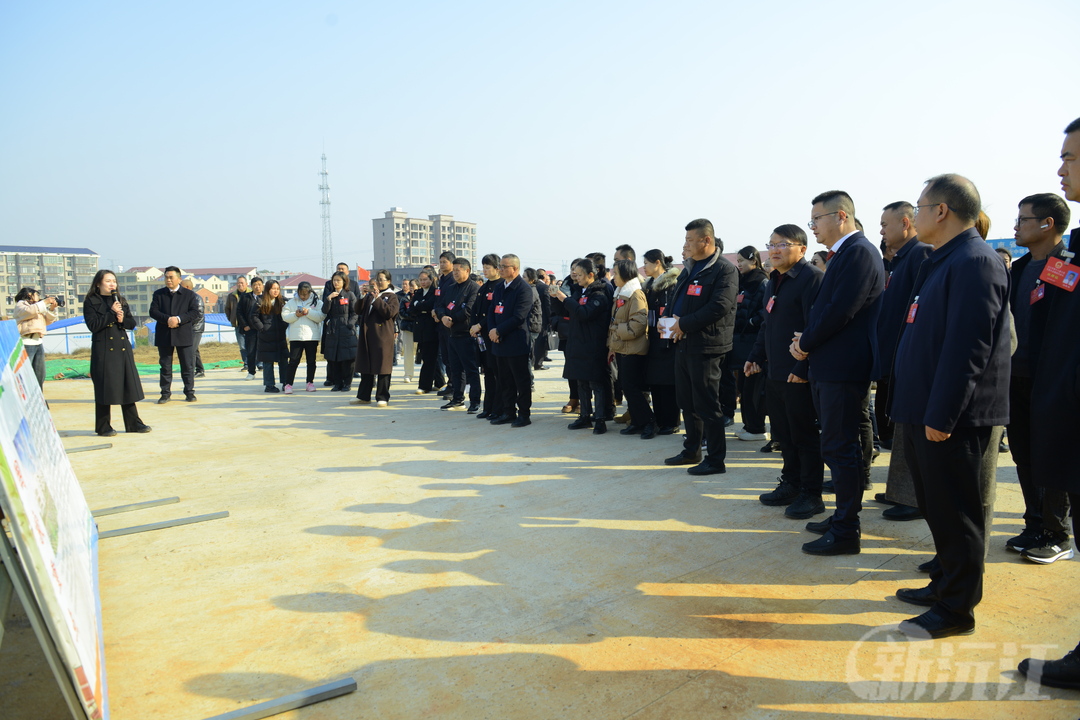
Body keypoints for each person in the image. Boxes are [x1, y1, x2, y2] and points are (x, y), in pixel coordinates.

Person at [890, 174, 1010, 640]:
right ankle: (944, 584)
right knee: (937, 506)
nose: (913, 215)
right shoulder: (942, 260)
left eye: (919, 207)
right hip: (924, 409)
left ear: (942, 211)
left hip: (950, 417)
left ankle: (957, 610)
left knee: (958, 513)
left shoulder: (975, 261)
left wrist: (942, 415)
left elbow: (968, 349)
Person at [1018, 116, 1080, 689]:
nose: (1062, 167)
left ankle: (1053, 532)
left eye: (1071, 157)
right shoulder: (1065, 256)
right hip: (1046, 391)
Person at [791, 191, 885, 556]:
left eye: (817, 219)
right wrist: (807, 344)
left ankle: (847, 528)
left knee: (841, 447)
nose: (812, 225)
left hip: (844, 367)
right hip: (830, 364)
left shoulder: (859, 252)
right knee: (834, 444)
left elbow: (840, 310)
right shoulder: (845, 253)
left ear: (841, 216)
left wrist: (806, 343)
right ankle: (842, 516)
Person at [1005, 193, 1073, 562]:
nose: (1016, 226)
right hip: (1017, 375)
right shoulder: (1018, 269)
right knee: (1024, 455)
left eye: (1023, 219)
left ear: (1047, 224)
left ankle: (1056, 533)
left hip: (1053, 379)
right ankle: (1034, 524)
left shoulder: (1070, 266)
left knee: (1053, 455)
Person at [745, 225, 825, 519]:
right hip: (774, 371)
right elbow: (768, 324)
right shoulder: (773, 281)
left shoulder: (812, 279)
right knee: (783, 434)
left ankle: (811, 493)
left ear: (802, 249)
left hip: (797, 374)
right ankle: (791, 482)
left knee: (804, 434)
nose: (774, 250)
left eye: (782, 244)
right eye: (771, 244)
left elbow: (815, 329)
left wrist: (803, 366)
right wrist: (755, 356)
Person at [662, 218, 738, 475]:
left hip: (707, 346)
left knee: (707, 404)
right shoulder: (690, 267)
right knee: (687, 401)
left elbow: (719, 306)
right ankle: (691, 449)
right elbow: (676, 299)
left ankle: (716, 459)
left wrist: (684, 324)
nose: (686, 245)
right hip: (683, 342)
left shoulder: (724, 270)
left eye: (689, 240)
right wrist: (671, 325)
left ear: (706, 240)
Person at [873, 201, 933, 523]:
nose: (881, 230)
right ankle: (899, 491)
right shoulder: (899, 260)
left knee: (909, 430)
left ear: (905, 223)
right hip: (893, 354)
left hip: (907, 354)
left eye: (885, 224)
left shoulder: (920, 255)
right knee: (899, 432)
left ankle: (912, 497)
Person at [82, 270, 150, 436]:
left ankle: (134, 423)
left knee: (127, 386)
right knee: (105, 388)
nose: (112, 284)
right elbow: (93, 325)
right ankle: (103, 426)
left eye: (114, 281)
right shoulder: (91, 301)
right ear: (98, 283)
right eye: (108, 281)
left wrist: (121, 319)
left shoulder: (120, 300)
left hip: (122, 348)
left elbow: (131, 323)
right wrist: (111, 313)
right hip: (104, 349)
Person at [555, 258, 613, 434]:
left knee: (596, 383)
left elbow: (584, 313)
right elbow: (568, 311)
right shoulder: (580, 292)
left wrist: (564, 298)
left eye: (580, 274)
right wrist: (559, 298)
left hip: (593, 344)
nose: (576, 277)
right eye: (575, 273)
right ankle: (585, 416)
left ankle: (601, 419)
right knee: (581, 382)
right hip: (577, 343)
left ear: (591, 274)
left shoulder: (600, 293)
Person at [487, 254, 533, 427]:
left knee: (521, 380)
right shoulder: (499, 287)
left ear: (514, 269)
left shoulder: (523, 289)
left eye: (504, 266)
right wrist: (492, 330)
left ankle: (524, 414)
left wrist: (499, 330)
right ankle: (508, 412)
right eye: (500, 266)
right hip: (498, 341)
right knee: (504, 380)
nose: (500, 269)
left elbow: (519, 316)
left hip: (515, 341)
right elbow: (492, 310)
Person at [607, 259, 652, 437]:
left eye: (616, 273)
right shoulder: (621, 293)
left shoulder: (635, 294)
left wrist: (616, 329)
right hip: (622, 347)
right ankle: (637, 420)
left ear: (625, 275)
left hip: (633, 349)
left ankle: (649, 421)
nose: (613, 277)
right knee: (627, 387)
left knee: (631, 387)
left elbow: (638, 325)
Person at [731, 245, 770, 442]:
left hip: (753, 342)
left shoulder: (762, 282)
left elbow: (766, 311)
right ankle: (748, 425)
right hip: (741, 342)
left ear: (753, 261)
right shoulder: (742, 282)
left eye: (742, 261)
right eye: (737, 261)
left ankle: (756, 427)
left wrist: (752, 321)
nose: (739, 265)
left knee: (753, 388)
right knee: (744, 386)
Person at [149, 265, 201, 403]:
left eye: (171, 277)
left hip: (183, 333)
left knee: (187, 365)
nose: (168, 280)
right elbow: (153, 311)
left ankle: (189, 392)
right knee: (165, 366)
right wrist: (168, 319)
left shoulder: (189, 295)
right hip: (164, 334)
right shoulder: (159, 294)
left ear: (179, 279)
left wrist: (178, 319)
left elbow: (195, 312)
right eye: (166, 277)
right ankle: (165, 393)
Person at [642, 249, 680, 435]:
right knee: (655, 382)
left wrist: (667, 338)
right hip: (653, 339)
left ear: (658, 263)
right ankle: (660, 419)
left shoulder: (671, 284)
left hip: (667, 339)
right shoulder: (649, 286)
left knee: (668, 383)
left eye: (647, 264)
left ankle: (671, 421)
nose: (644, 268)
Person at [437, 259, 482, 412]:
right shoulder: (450, 288)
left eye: (458, 270)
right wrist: (443, 316)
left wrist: (453, 319)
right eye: (454, 270)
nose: (455, 273)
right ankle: (457, 399)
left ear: (467, 270)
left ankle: (475, 401)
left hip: (466, 335)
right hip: (451, 334)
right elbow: (440, 305)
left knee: (471, 370)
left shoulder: (474, 288)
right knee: (455, 369)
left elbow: (469, 310)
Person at [354, 269, 400, 406]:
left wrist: (377, 299)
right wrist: (362, 297)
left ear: (388, 281)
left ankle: (382, 397)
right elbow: (358, 310)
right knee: (366, 366)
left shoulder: (392, 297)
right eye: (377, 279)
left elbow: (389, 313)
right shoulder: (370, 295)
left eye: (382, 279)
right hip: (368, 335)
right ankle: (363, 395)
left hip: (382, 336)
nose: (379, 282)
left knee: (383, 367)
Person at [470, 254, 502, 417]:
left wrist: (480, 325)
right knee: (488, 372)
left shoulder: (500, 286)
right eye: (483, 267)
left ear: (497, 269)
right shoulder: (484, 287)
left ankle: (498, 408)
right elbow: (476, 309)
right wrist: (473, 326)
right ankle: (488, 407)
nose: (485, 271)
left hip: (493, 335)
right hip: (482, 336)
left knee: (496, 373)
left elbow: (492, 313)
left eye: (488, 268)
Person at [282, 281, 324, 393]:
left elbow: (321, 316)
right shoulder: (291, 302)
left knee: (311, 361)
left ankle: (310, 382)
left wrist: (308, 312)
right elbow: (285, 316)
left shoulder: (317, 302)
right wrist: (295, 315)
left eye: (305, 294)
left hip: (311, 336)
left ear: (310, 292)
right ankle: (288, 384)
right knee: (293, 361)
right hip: (296, 337)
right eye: (301, 293)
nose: (303, 296)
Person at [320, 271, 358, 392]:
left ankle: (347, 383)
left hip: (346, 329)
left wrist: (350, 324)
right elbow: (324, 311)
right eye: (334, 280)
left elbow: (355, 312)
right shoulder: (330, 295)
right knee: (334, 358)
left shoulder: (349, 295)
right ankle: (337, 383)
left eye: (338, 280)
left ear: (344, 282)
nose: (336, 282)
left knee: (347, 358)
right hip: (333, 329)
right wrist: (329, 299)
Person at [14, 287, 58, 388]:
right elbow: (29, 311)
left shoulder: (37, 307)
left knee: (40, 374)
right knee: (25, 374)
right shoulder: (21, 305)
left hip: (38, 342)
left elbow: (46, 322)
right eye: (36, 294)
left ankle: (39, 398)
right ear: (29, 294)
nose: (38, 297)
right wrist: (45, 302)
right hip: (26, 342)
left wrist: (51, 309)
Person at [251, 280, 289, 393]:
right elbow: (253, 317)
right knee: (268, 361)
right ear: (267, 290)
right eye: (273, 289)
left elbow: (288, 315)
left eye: (277, 289)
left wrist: (284, 325)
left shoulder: (283, 301)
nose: (276, 291)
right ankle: (269, 385)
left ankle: (286, 382)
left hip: (280, 336)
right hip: (266, 337)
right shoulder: (260, 301)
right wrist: (262, 328)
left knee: (283, 360)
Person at [412, 269, 446, 394]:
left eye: (425, 279)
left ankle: (424, 385)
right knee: (430, 357)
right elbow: (412, 308)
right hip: (420, 329)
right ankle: (440, 383)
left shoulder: (435, 292)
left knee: (429, 358)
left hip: (432, 329)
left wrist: (419, 305)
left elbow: (430, 305)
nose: (423, 282)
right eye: (421, 280)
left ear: (431, 280)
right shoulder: (418, 292)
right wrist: (420, 306)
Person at [434, 251, 457, 399]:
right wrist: (435, 311)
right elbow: (438, 299)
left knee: (452, 356)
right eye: (440, 262)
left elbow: (451, 302)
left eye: (445, 262)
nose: (442, 264)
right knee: (446, 357)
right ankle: (450, 384)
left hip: (449, 322)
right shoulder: (440, 279)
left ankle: (455, 386)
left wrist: (442, 315)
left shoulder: (453, 280)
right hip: (439, 321)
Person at [179, 278, 206, 378]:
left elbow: (198, 315)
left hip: (195, 328)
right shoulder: (185, 298)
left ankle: (190, 372)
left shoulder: (195, 298)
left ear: (187, 287)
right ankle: (200, 370)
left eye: (181, 286)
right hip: (188, 328)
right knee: (195, 350)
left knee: (191, 351)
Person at [240, 276, 263, 380]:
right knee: (251, 351)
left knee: (265, 351)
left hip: (264, 329)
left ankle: (266, 370)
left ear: (262, 286)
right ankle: (251, 372)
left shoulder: (266, 297)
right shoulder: (246, 297)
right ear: (251, 286)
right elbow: (239, 312)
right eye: (255, 285)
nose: (257, 287)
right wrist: (245, 325)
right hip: (250, 329)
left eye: (259, 285)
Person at [224, 276, 250, 368]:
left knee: (254, 345)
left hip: (251, 325)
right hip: (238, 325)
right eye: (238, 283)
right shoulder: (231, 296)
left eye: (242, 283)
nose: (240, 284)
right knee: (242, 346)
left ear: (246, 284)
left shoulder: (251, 294)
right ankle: (246, 364)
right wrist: (231, 319)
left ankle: (258, 363)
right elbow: (227, 309)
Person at [396, 279, 416, 382]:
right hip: (408, 327)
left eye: (414, 286)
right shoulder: (404, 298)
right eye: (410, 286)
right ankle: (408, 374)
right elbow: (401, 312)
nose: (412, 288)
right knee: (408, 351)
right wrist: (413, 317)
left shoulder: (421, 298)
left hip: (420, 328)